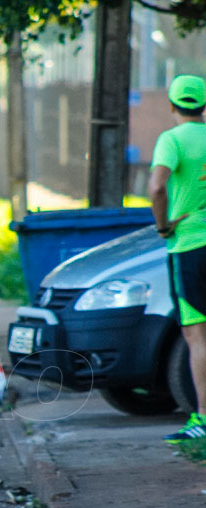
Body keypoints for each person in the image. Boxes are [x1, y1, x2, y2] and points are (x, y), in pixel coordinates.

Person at [150, 74, 206, 445]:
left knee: (197, 333)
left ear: (172, 106)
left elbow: (157, 186)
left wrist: (164, 225)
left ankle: (202, 418)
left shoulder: (170, 140)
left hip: (189, 245)